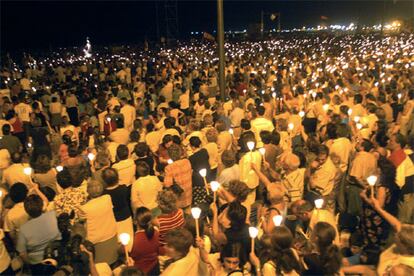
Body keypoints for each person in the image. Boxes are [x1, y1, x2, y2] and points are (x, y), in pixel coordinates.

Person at [17, 194, 61, 274]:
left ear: (26, 210)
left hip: (36, 264)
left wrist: (29, 264)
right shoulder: (53, 216)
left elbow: (22, 254)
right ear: (41, 206)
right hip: (56, 257)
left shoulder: (23, 229)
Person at [102, 167, 134, 250]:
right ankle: (129, 251)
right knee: (129, 237)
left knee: (119, 239)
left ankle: (123, 253)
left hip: (114, 218)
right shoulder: (123, 188)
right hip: (126, 215)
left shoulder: (104, 194)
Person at [130, 207, 161, 275]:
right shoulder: (156, 231)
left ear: (135, 221)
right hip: (156, 267)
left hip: (140, 272)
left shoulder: (132, 241)